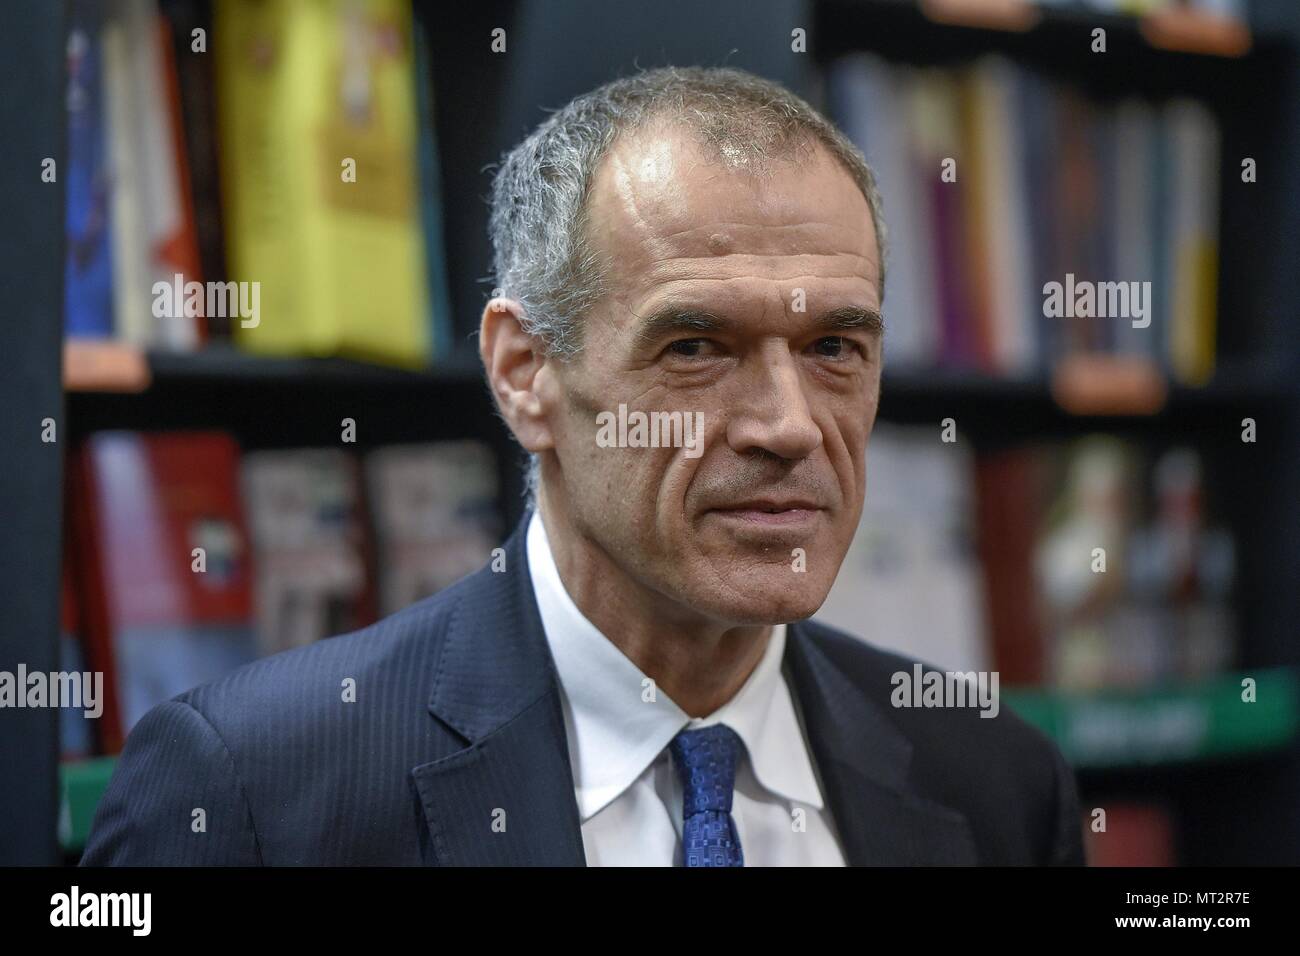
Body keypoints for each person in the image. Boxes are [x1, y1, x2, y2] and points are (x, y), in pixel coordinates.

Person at [82, 66, 1083, 866]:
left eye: (834, 349)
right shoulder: (253, 786)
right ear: (526, 375)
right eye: (694, 347)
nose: (788, 424)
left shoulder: (995, 780)